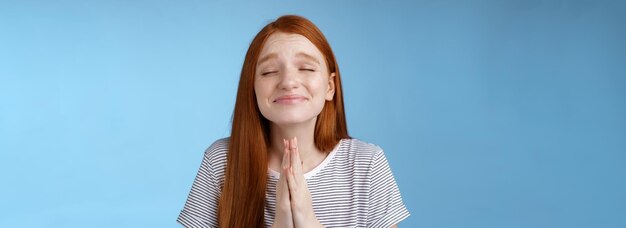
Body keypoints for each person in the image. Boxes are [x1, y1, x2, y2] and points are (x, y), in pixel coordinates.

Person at [177, 15, 410, 228]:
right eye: (269, 72)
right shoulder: (221, 161)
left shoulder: (366, 163)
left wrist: (307, 219)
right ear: (252, 89)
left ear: (330, 87)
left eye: (306, 68)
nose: (288, 81)